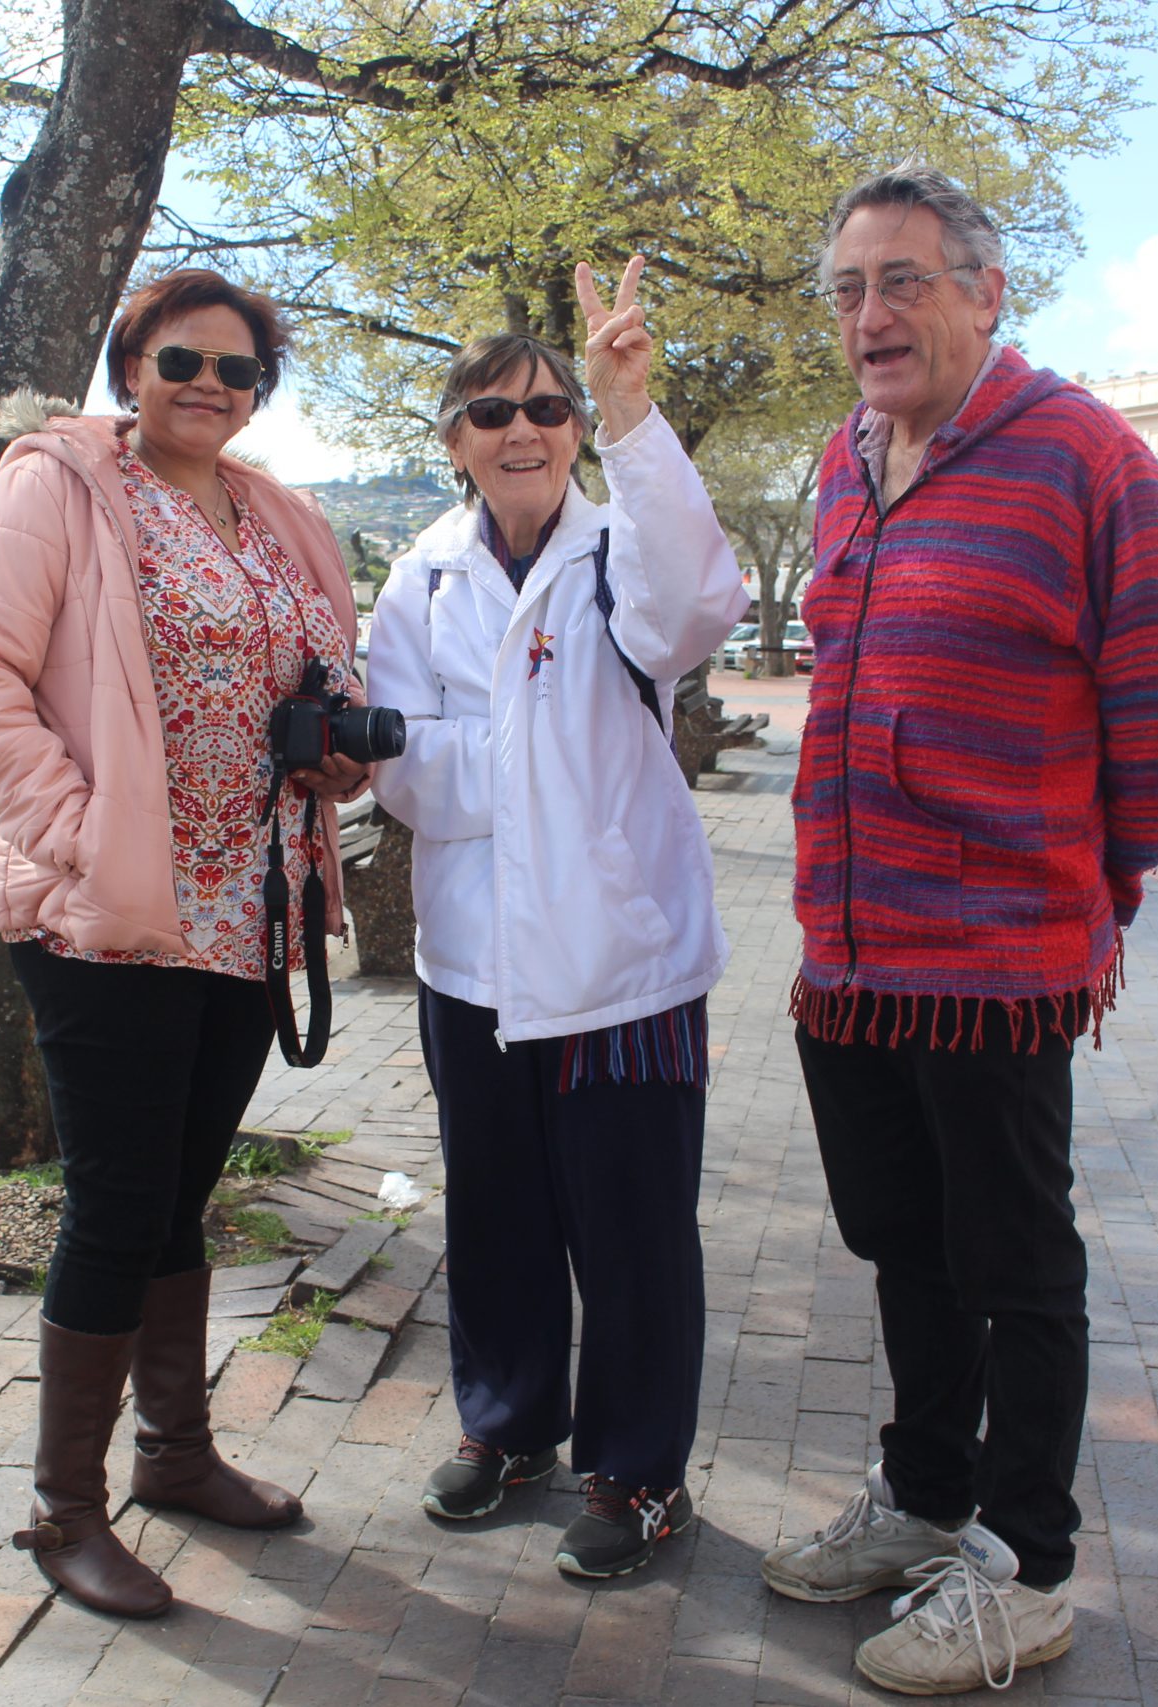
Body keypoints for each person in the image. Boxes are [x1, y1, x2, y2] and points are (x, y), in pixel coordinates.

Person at [763, 164, 1158, 1694]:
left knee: (1017, 1260)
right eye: (848, 289)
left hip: (998, 961)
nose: (870, 315)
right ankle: (923, 1496)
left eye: (901, 280)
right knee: (904, 1242)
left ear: (984, 292)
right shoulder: (846, 456)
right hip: (851, 953)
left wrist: (1083, 883)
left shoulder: (1086, 454)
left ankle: (1023, 1564)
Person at [0, 269, 371, 1620]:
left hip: (244, 908)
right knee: (117, 1204)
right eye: (183, 359)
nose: (210, 386)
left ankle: (175, 1452)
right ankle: (66, 1510)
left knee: (181, 1192)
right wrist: (83, 827)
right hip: (103, 917)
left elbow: (323, 675)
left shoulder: (282, 515)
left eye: (240, 371)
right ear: (131, 362)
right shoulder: (54, 484)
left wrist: (336, 748)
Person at [368, 258, 747, 1581]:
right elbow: (402, 764)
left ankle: (640, 1472)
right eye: (490, 412)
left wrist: (637, 414)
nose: (522, 429)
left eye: (549, 407)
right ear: (453, 440)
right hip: (470, 961)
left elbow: (692, 604)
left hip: (620, 961)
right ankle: (509, 1424)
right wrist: (518, 761)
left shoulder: (618, 546)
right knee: (500, 1211)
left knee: (634, 1230)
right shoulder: (417, 580)